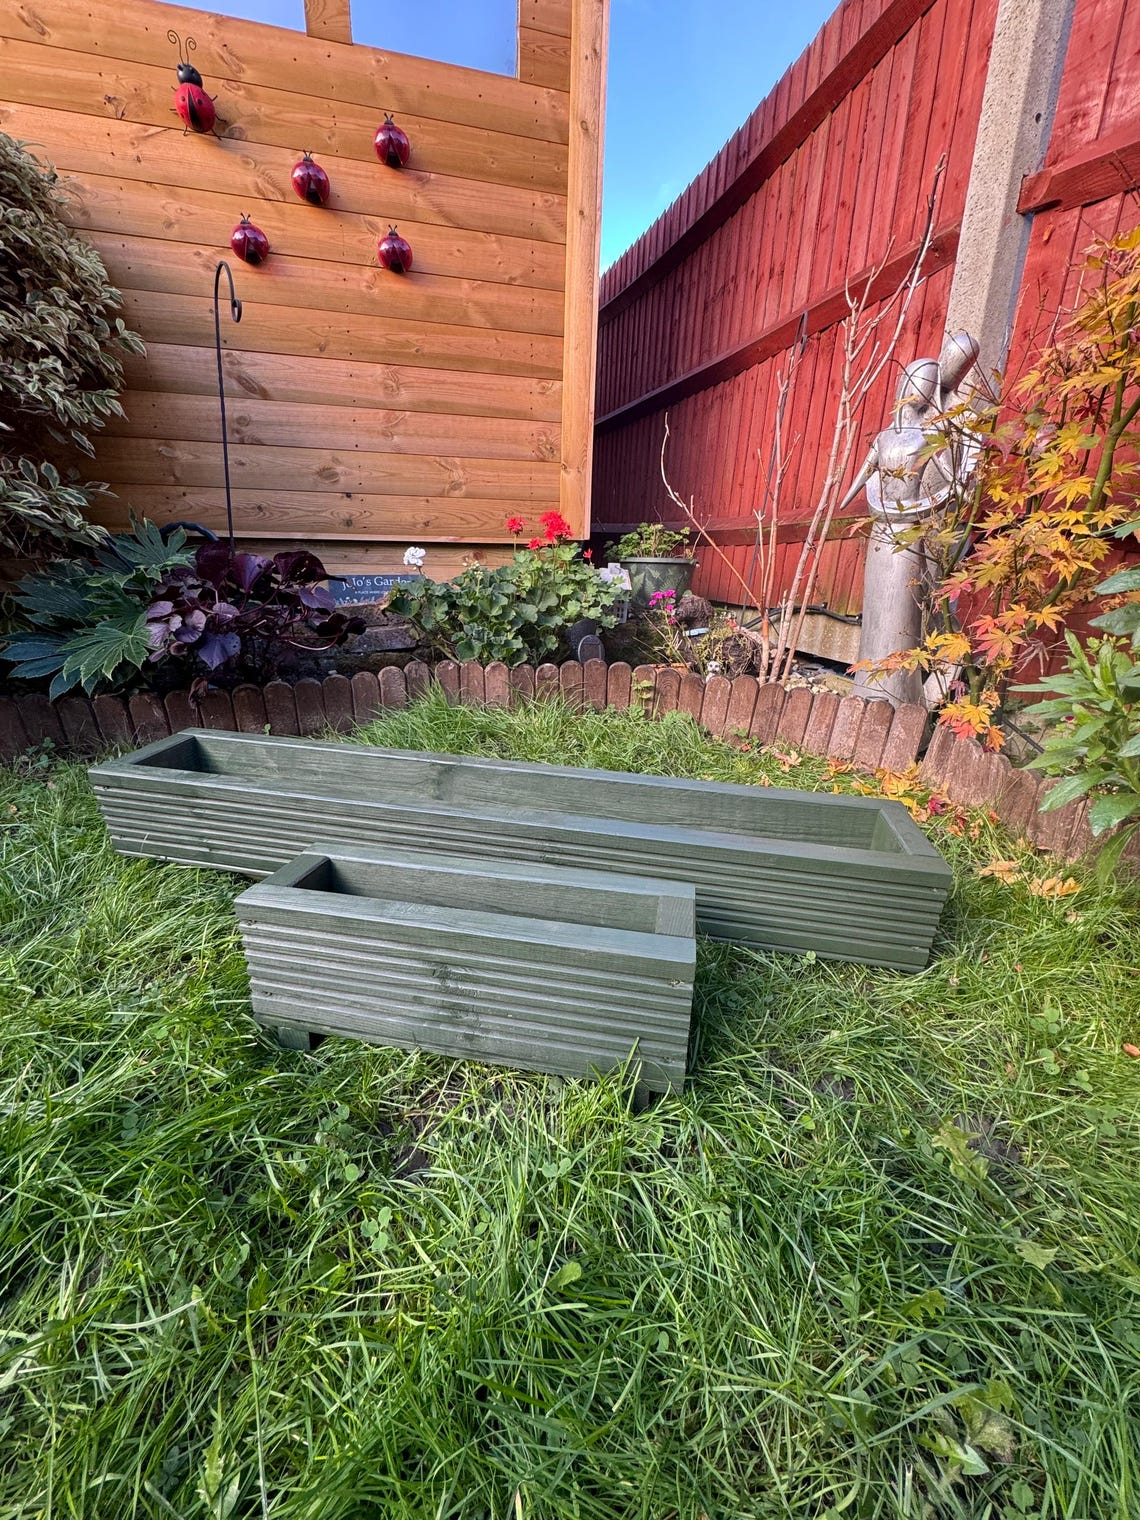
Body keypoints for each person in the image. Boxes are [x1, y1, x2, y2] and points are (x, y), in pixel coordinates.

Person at [841, 330, 982, 706]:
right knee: (878, 610)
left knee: (904, 608)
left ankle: (901, 695)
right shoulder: (885, 436)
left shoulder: (933, 434)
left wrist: (960, 481)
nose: (920, 396)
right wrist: (865, 502)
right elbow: (858, 484)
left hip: (910, 535)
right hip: (882, 536)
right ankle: (868, 686)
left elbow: (954, 482)